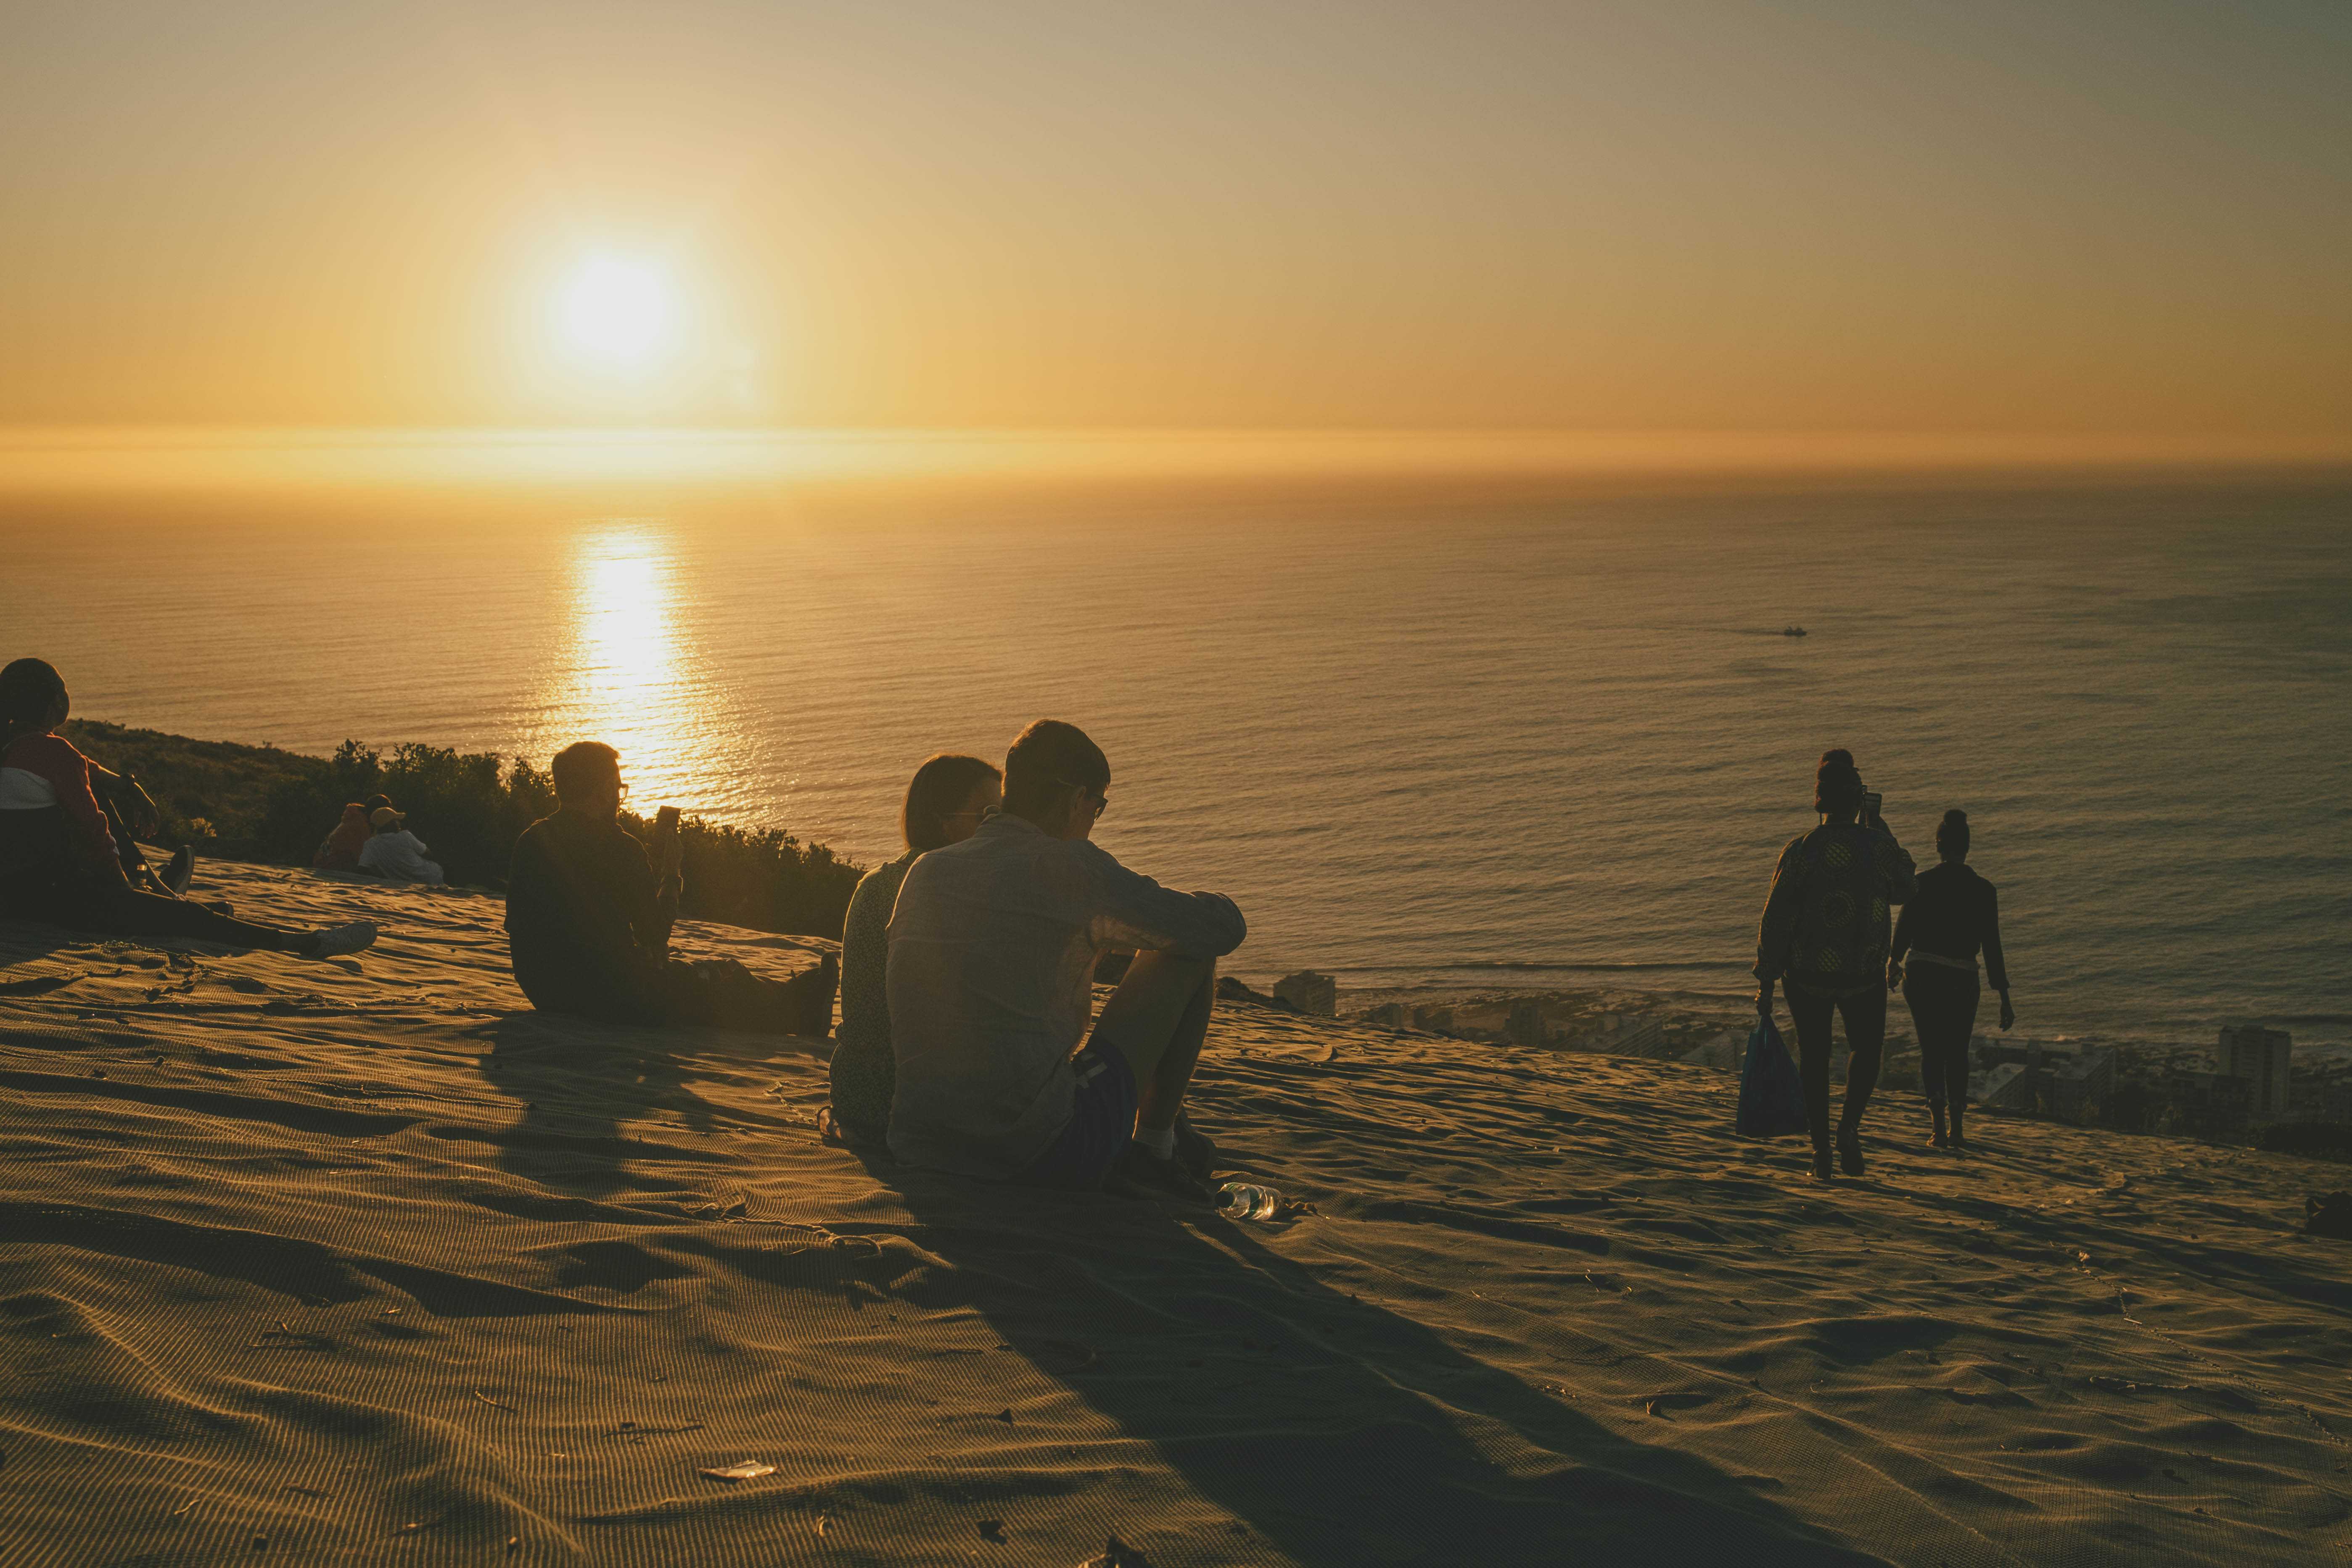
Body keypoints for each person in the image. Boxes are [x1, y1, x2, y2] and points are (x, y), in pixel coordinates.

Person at [885, 719, 1246, 1198]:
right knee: (1188, 957)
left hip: (920, 1144)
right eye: (1098, 807)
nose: (1094, 819)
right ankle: (1155, 1149)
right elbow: (1217, 930)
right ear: (1077, 799)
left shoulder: (927, 871)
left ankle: (1164, 1136)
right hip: (1033, 1153)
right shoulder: (1073, 868)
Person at [0, 658, 377, 958]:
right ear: (56, 704)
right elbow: (94, 829)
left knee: (101, 795)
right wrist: (122, 894)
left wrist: (128, 786)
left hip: (14, 896)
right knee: (192, 920)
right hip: (57, 899)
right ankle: (306, 943)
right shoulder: (55, 754)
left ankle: (159, 891)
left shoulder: (19, 748)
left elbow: (82, 768)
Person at [505, 741, 836, 1034]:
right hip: (615, 996)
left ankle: (799, 995)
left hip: (545, 991)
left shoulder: (531, 841)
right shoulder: (620, 848)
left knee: (687, 974)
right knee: (720, 976)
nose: (620, 799)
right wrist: (671, 872)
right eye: (619, 789)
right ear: (604, 790)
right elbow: (655, 933)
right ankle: (803, 1010)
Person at [1752, 748, 1917, 1179]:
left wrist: (1765, 979)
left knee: (1815, 1058)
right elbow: (1906, 888)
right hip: (1862, 972)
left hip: (1805, 974)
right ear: (1857, 799)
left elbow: (1775, 918)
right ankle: (1848, 1128)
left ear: (1819, 801)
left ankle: (1821, 1151)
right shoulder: (1877, 846)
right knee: (1865, 1050)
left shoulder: (1801, 850)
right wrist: (1879, 825)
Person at [826, 753, 1002, 1147]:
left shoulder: (875, 883)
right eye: (988, 815)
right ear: (943, 822)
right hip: (901, 1102)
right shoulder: (953, 892)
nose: (1002, 829)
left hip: (858, 1097)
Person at [1889, 809, 2011, 1151]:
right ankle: (1958, 1129)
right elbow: (1992, 946)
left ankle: (1937, 1128)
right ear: (1967, 847)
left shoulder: (1922, 884)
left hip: (1923, 973)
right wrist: (2004, 997)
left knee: (1932, 1050)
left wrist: (1893, 963)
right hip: (1962, 977)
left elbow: (1903, 931)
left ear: (1938, 845)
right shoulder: (1985, 891)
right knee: (1958, 1051)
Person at [357, 806, 445, 885]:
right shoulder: (405, 836)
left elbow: (363, 868)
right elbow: (428, 854)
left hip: (399, 881)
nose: (399, 823)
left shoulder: (370, 844)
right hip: (431, 877)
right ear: (391, 823)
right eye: (396, 821)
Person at [314, 803, 372, 870]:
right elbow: (360, 852)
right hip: (340, 866)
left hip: (324, 863)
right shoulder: (361, 826)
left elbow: (325, 849)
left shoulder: (341, 827)